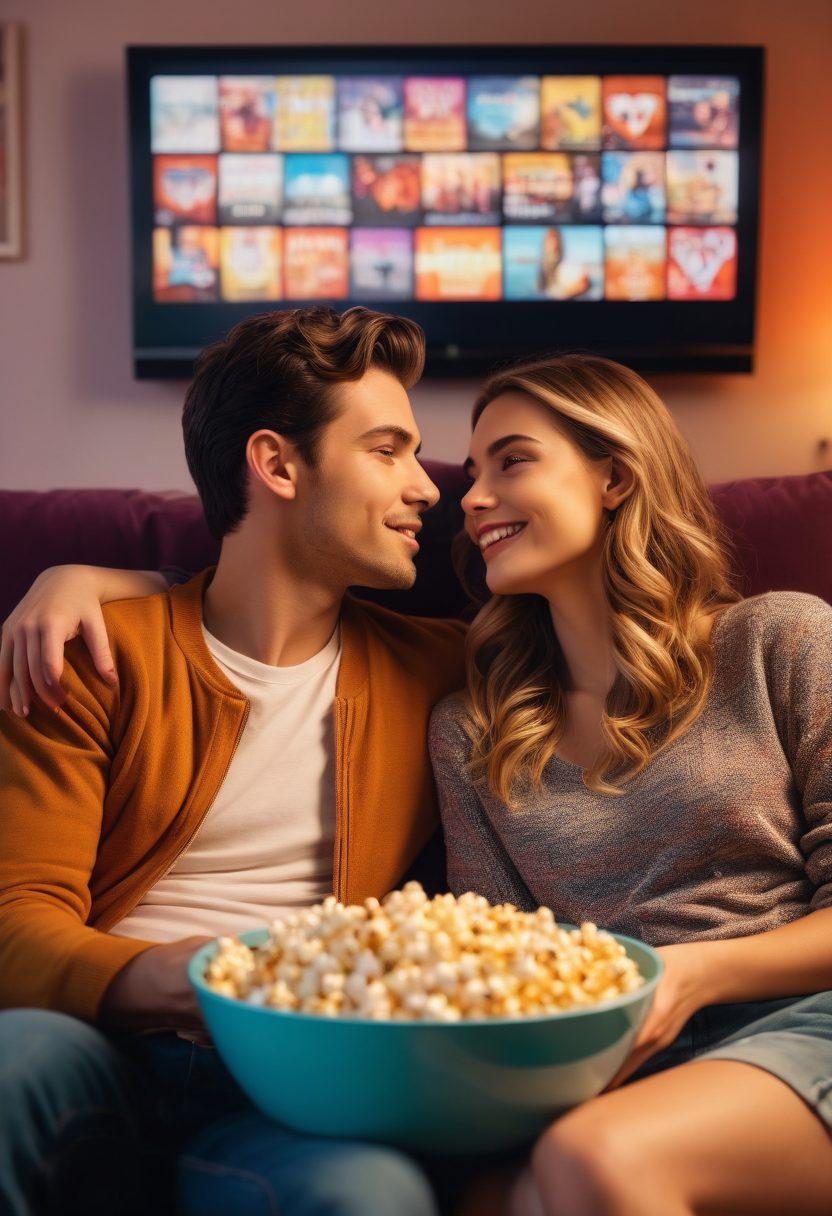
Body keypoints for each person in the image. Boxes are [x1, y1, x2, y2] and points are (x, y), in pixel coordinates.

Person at [0, 305, 468, 1216]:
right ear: (278, 463)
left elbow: (597, 624)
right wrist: (203, 980)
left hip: (287, 1090)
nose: (427, 489)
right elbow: (14, 928)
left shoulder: (437, 668)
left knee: (373, 1195)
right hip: (93, 1046)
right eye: (387, 450)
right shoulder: (89, 653)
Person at [428, 353, 832, 1215]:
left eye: (513, 460)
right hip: (621, 1064)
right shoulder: (473, 730)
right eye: (472, 475)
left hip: (806, 1024)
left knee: (593, 1160)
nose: (472, 498)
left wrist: (688, 975)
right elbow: (499, 967)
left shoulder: (782, 641)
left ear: (615, 475)